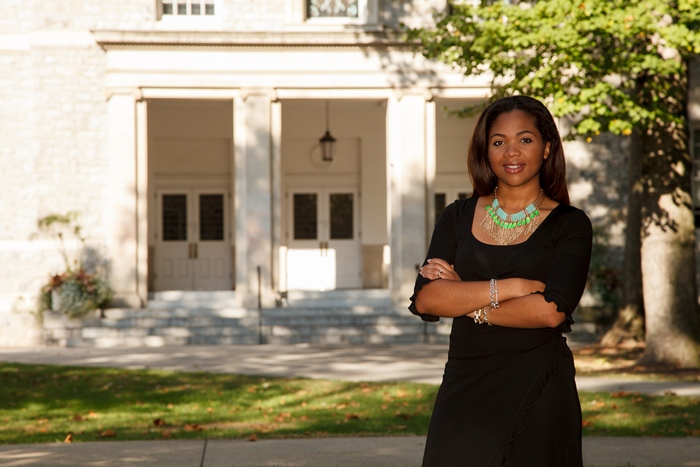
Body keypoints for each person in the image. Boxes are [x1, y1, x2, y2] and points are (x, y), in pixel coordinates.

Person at [409, 95, 592, 467]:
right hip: (465, 383)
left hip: (538, 386)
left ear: (546, 148)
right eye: (498, 142)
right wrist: (512, 287)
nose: (512, 152)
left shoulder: (571, 224)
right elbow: (427, 300)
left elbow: (550, 311)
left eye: (525, 139)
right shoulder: (456, 216)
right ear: (485, 151)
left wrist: (464, 300)